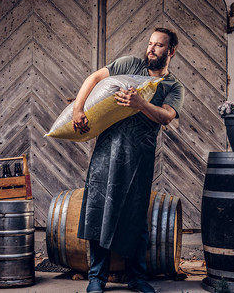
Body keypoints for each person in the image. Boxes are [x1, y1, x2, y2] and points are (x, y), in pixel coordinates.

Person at [73, 28, 184, 293]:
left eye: (158, 46)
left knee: (136, 216)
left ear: (171, 51)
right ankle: (96, 277)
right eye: (150, 43)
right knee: (98, 209)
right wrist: (78, 109)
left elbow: (167, 116)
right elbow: (94, 78)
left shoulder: (174, 86)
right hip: (107, 148)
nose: (151, 49)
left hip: (139, 155)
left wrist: (140, 104)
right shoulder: (129, 64)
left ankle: (137, 277)